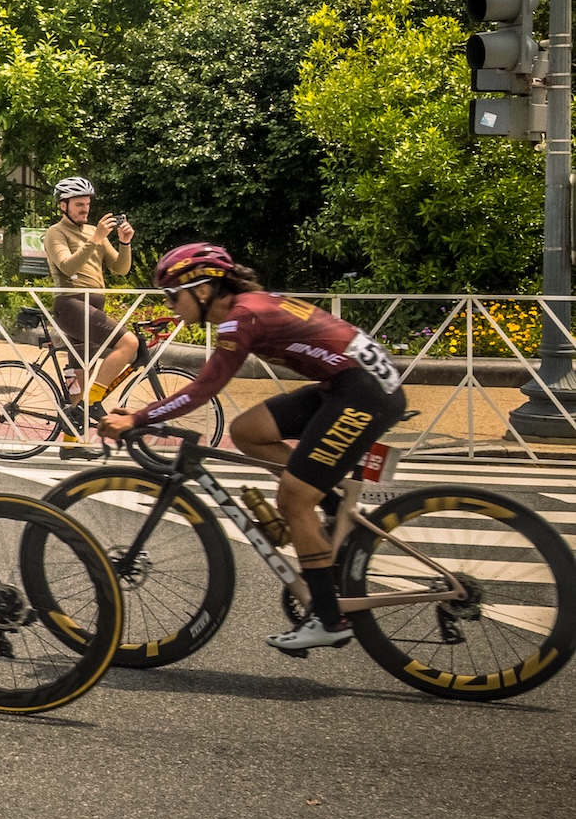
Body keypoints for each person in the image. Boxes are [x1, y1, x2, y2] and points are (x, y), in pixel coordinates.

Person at [100, 243, 408, 654]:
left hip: (363, 393)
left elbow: (203, 389)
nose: (170, 305)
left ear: (203, 290)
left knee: (293, 499)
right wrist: (143, 415)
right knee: (248, 431)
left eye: (173, 295)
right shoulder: (248, 305)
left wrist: (138, 418)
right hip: (348, 383)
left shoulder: (240, 319)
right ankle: (335, 510)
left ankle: (328, 619)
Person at [43, 176, 139, 446]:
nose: (85, 209)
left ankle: (70, 443)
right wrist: (96, 238)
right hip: (71, 303)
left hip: (94, 304)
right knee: (129, 343)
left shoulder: (92, 232)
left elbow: (120, 269)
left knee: (79, 376)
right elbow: (67, 266)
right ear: (63, 206)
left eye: (87, 204)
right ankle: (93, 403)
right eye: (78, 205)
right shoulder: (55, 232)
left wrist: (124, 243)